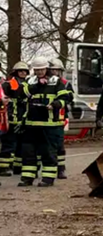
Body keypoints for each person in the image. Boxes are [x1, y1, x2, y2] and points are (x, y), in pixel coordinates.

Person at [20, 57, 69, 187]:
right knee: (28, 152)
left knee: (48, 152)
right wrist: (37, 85)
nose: (40, 71)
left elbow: (65, 97)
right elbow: (22, 93)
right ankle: (27, 178)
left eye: (42, 69)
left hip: (49, 124)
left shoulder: (56, 81)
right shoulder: (29, 81)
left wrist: (55, 104)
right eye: (37, 69)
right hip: (31, 124)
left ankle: (48, 178)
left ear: (47, 68)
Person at [1, 61, 29, 178]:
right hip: (11, 118)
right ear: (16, 72)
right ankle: (3, 167)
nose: (23, 73)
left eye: (25, 71)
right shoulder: (8, 84)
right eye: (20, 71)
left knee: (21, 144)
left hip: (24, 118)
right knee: (9, 144)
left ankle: (17, 167)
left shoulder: (29, 83)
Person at [49, 59, 73, 179]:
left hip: (61, 116)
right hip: (46, 117)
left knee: (60, 144)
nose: (54, 72)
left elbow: (70, 97)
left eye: (57, 70)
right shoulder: (45, 83)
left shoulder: (65, 83)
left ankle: (61, 169)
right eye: (52, 70)